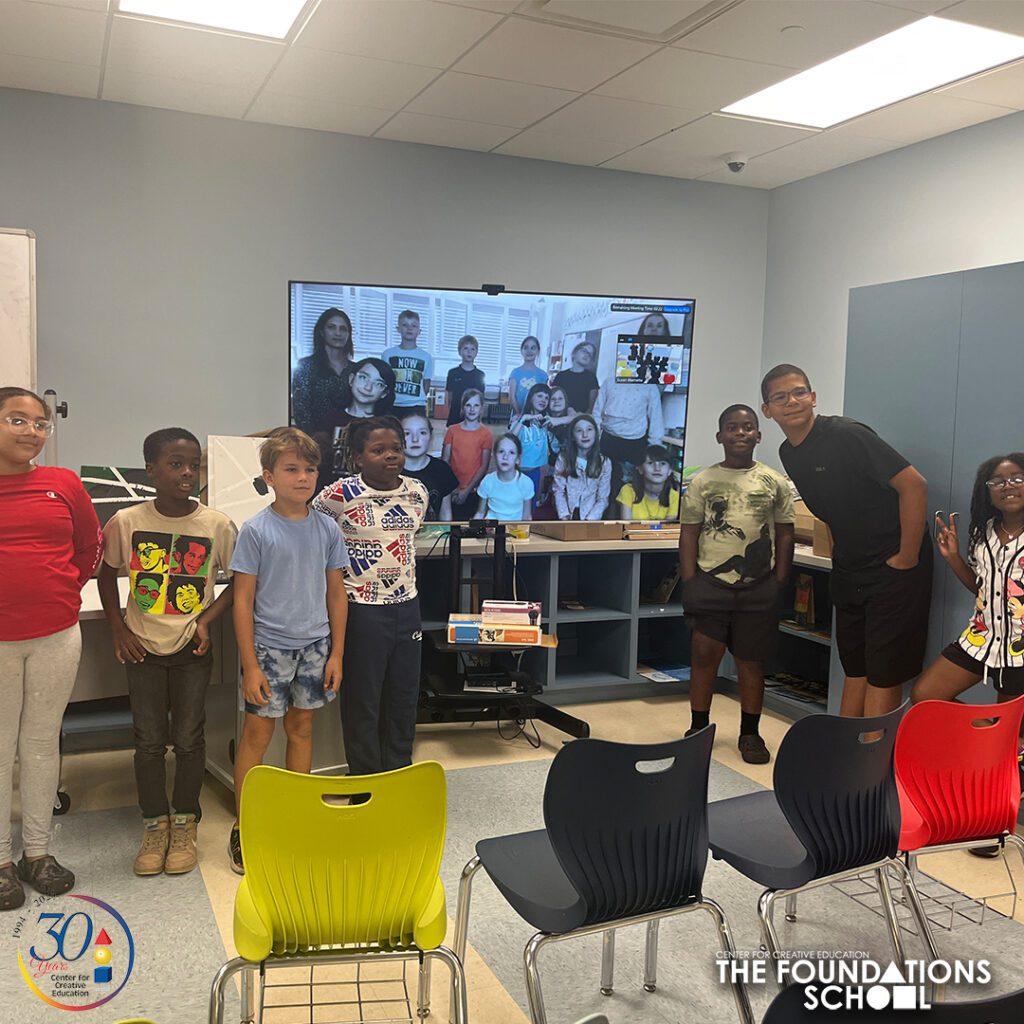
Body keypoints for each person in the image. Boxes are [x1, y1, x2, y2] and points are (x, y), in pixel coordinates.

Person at [98, 427, 236, 877]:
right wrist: (118, 626)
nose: (187, 473)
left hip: (190, 647)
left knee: (191, 738)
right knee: (148, 741)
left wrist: (205, 622)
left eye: (193, 465)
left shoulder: (215, 525)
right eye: (175, 464)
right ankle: (154, 824)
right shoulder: (126, 521)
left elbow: (239, 581)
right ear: (151, 469)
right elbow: (105, 574)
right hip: (143, 647)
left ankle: (185, 822)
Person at [762, 363, 931, 719]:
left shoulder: (846, 434)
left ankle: (869, 766)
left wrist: (907, 557)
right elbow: (830, 508)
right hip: (850, 566)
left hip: (892, 566)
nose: (791, 401)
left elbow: (914, 484)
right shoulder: (788, 453)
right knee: (855, 666)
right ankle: (844, 754)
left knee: (884, 672)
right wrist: (840, 552)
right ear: (768, 410)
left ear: (813, 397)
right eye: (780, 397)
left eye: (799, 392)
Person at [227, 428, 348, 874]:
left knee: (301, 730)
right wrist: (251, 665)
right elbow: (242, 601)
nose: (302, 477)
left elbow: (337, 594)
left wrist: (336, 653)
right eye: (291, 469)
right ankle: (247, 825)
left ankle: (298, 817)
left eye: (310, 469)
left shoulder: (327, 528)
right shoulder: (257, 531)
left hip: (315, 648)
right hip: (269, 650)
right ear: (269, 476)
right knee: (257, 736)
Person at [0, 388, 102, 910]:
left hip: (56, 632)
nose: (31, 431)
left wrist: (65, 586)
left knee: (40, 743)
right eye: (17, 420)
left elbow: (90, 545)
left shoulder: (62, 484)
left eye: (40, 424)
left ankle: (37, 854)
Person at [679, 404, 795, 764]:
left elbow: (785, 534)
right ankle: (699, 728)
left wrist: (779, 581)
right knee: (704, 656)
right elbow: (689, 533)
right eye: (732, 427)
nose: (740, 433)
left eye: (748, 427)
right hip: (710, 583)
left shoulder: (774, 482)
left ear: (759, 435)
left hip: (758, 587)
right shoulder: (703, 481)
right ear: (720, 436)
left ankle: (750, 733)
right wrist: (689, 581)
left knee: (751, 661)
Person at [313, 417, 428, 776]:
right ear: (358, 458)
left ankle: (398, 773)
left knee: (404, 696)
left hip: (407, 606)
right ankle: (364, 778)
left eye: (396, 448)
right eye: (378, 450)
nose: (390, 456)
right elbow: (311, 531)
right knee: (363, 701)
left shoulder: (417, 492)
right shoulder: (338, 495)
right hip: (360, 610)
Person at [913, 454, 1024, 703]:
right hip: (980, 638)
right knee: (926, 696)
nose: (1008, 485)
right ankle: (989, 739)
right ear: (988, 492)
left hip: (1020, 649)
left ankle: (1001, 740)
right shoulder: (982, 532)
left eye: (1018, 478)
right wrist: (953, 557)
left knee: (1009, 726)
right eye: (997, 481)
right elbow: (981, 588)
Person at [592, 369, 665, 504]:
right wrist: (593, 441)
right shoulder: (609, 381)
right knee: (605, 487)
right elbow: (596, 413)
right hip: (608, 441)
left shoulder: (650, 386)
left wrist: (655, 447)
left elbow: (656, 417)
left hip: (636, 444)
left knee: (633, 490)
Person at [291, 307, 355, 437]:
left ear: (349, 334)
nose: (338, 333)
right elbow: (301, 412)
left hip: (354, 441)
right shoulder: (306, 366)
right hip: (315, 442)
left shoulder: (357, 369)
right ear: (321, 332)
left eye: (343, 329)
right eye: (331, 327)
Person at [329, 357, 396, 481]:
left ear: (384, 393)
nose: (368, 387)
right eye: (363, 377)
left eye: (378, 384)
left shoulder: (386, 427)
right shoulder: (330, 419)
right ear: (351, 379)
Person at [442, 389, 492, 519]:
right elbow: (444, 462)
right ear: (463, 407)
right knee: (453, 525)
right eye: (468, 405)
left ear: (481, 409)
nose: (472, 409)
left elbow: (484, 466)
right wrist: (454, 488)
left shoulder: (486, 434)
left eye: (476, 405)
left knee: (471, 527)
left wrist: (467, 490)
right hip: (452, 489)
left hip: (473, 490)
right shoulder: (452, 431)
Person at [552, 414, 611, 521]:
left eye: (589, 429)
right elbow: (558, 490)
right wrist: (564, 516)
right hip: (567, 514)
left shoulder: (604, 463)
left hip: (591, 516)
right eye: (579, 431)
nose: (585, 434)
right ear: (573, 437)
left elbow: (603, 498)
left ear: (596, 434)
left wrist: (590, 520)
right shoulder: (564, 459)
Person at [401, 413, 457, 521]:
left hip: (432, 536)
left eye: (422, 433)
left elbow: (446, 514)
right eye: (407, 433)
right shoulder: (389, 471)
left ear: (431, 437)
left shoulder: (442, 470)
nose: (415, 439)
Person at [381, 310, 432, 418]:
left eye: (414, 325)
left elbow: (426, 384)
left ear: (419, 331)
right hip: (393, 405)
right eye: (405, 325)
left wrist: (416, 398)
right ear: (398, 329)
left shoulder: (426, 357)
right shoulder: (387, 354)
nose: (409, 328)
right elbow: (385, 381)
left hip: (416, 405)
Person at [511, 382, 552, 510]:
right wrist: (523, 419)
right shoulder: (520, 421)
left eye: (546, 398)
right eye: (539, 396)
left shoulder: (546, 423)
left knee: (531, 506)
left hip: (535, 473)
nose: (543, 400)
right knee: (515, 506)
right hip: (517, 473)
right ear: (531, 398)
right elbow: (509, 439)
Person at [475, 433, 534, 522]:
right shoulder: (487, 481)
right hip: (492, 530)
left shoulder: (526, 482)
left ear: (518, 459)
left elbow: (527, 517)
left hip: (515, 531)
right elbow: (480, 513)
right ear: (494, 455)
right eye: (501, 451)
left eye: (511, 453)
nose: (505, 457)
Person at [617, 444, 680, 521]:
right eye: (650, 463)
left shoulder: (675, 496)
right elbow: (626, 526)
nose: (657, 468)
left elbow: (666, 528)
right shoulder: (628, 490)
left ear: (670, 470)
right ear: (640, 469)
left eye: (663, 463)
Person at [445, 335, 485, 427]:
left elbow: (481, 399)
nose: (469, 352)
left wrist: (479, 418)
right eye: (466, 348)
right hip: (455, 415)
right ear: (460, 351)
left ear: (476, 352)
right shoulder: (452, 373)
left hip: (473, 416)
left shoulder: (480, 375)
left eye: (472, 349)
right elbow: (450, 398)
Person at [552, 340, 598, 416]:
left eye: (590, 354)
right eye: (584, 351)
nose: (587, 355)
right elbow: (554, 399)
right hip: (559, 417)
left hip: (581, 420)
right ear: (574, 353)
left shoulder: (591, 378)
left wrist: (580, 418)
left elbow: (592, 406)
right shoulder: (561, 376)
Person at [508, 336, 546, 418]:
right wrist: (519, 414)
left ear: (538, 351)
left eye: (533, 348)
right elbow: (512, 397)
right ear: (521, 351)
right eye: (526, 347)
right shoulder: (515, 372)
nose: (529, 351)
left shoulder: (543, 375)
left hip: (536, 416)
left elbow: (544, 398)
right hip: (517, 415)